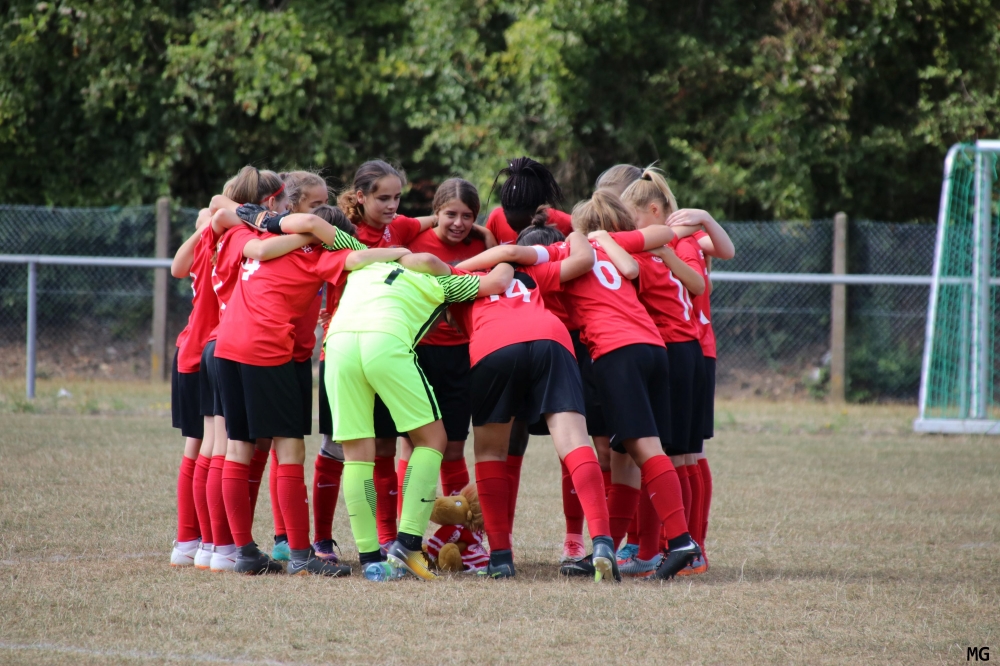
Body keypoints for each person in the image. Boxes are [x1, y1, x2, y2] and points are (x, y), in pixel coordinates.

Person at [214, 198, 402, 576]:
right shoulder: (318, 254)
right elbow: (362, 258)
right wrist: (402, 253)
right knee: (290, 448)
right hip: (267, 346)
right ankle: (301, 556)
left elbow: (220, 210)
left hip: (226, 344)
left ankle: (243, 551)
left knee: (238, 447)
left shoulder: (257, 237)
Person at [323, 254, 512, 581]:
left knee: (357, 455)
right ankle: (408, 544)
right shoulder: (442, 283)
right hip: (385, 341)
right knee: (433, 440)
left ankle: (369, 558)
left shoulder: (369, 265)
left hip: (337, 346)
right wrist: (510, 255)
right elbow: (500, 280)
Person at [452, 229, 620, 581]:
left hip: (494, 343)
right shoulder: (526, 272)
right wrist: (577, 232)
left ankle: (500, 557)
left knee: (491, 452)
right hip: (550, 338)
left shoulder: (454, 277)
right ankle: (603, 543)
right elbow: (581, 260)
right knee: (575, 443)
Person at [555, 190, 701, 580]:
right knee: (626, 460)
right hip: (655, 348)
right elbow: (664, 236)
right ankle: (606, 550)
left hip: (617, 353)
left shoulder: (574, 252)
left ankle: (681, 541)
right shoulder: (625, 246)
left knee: (644, 451)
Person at [617, 167, 710, 577]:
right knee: (681, 456)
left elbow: (696, 283)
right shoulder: (669, 243)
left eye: (632, 220)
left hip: (672, 351)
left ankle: (658, 549)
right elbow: (697, 286)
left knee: (664, 457)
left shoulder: (647, 251)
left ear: (653, 211)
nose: (629, 229)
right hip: (686, 351)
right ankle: (687, 549)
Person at [395, 178, 490, 510]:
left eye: (467, 216)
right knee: (413, 445)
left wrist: (487, 237)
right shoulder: (414, 243)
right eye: (451, 214)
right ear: (436, 212)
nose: (459, 223)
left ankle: (459, 529)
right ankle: (405, 525)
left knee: (453, 447)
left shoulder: (481, 246)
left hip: (463, 356)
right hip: (418, 354)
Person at [168, 208, 216, 568]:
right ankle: (202, 541)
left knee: (199, 446)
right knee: (206, 447)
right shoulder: (223, 236)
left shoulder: (212, 229)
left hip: (195, 350)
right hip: (204, 353)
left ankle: (191, 541)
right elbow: (177, 268)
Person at [485, 156, 573, 244]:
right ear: (504, 211)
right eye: (514, 227)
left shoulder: (567, 224)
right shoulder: (496, 220)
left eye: (527, 227)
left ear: (540, 210)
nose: (521, 234)